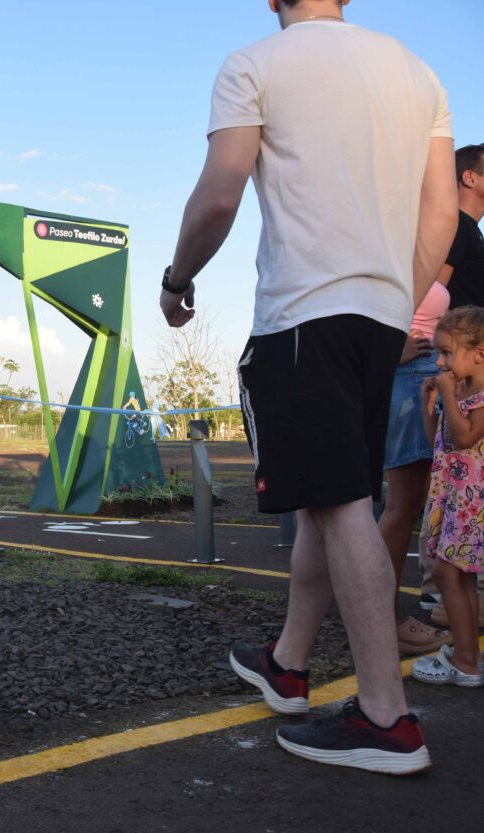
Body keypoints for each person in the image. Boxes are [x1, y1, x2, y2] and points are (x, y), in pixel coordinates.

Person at [159, 0, 458, 774]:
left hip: (302, 314)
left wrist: (176, 277)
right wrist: (398, 305)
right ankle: (289, 663)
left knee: (336, 502)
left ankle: (387, 717)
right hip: (379, 318)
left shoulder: (255, 63)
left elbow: (221, 193)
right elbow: (441, 214)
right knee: (335, 493)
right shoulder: (418, 72)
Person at [423, 143, 484, 628]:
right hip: (461, 376)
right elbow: (436, 291)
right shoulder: (457, 228)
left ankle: (455, 609)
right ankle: (442, 602)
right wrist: (436, 355)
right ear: (469, 177)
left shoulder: (470, 232)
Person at [377, 284, 452, 657]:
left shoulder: (418, 239)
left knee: (420, 503)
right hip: (411, 377)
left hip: (428, 372)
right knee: (402, 506)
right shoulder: (389, 241)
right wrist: (388, 351)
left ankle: (386, 619)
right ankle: (383, 621)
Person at [411, 307, 484, 687]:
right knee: (461, 578)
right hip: (454, 499)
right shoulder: (460, 392)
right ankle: (468, 655)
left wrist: (449, 399)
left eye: (446, 353)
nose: (440, 362)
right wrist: (431, 410)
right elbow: (441, 444)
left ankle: (467, 662)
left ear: (479, 354)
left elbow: (466, 437)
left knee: (445, 572)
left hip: (471, 505)